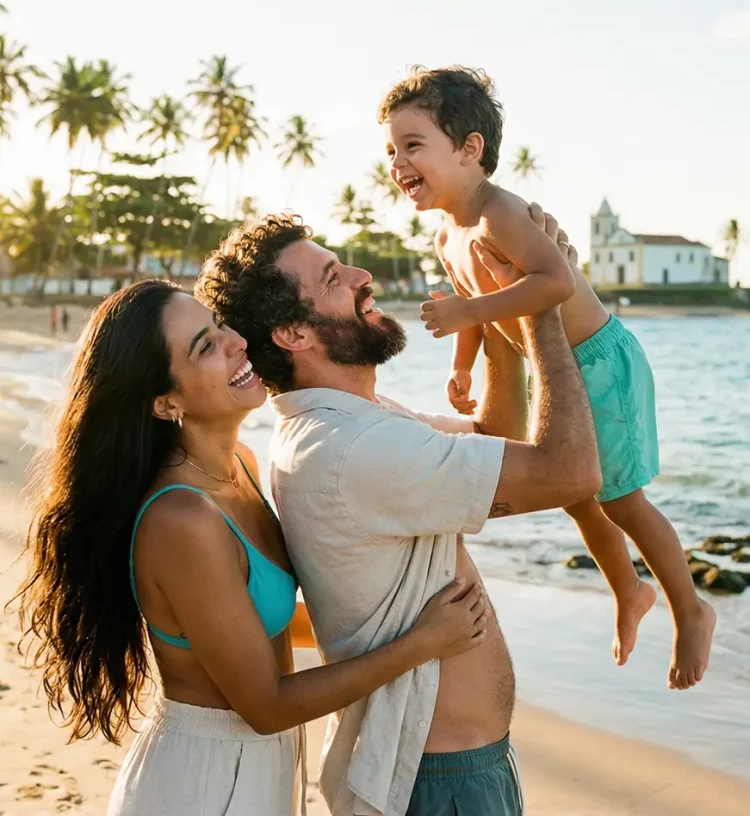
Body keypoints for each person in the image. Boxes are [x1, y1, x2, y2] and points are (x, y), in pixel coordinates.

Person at [15, 279, 492, 816]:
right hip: (206, 779)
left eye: (219, 326)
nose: (235, 341)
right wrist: (420, 643)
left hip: (257, 767)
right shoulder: (183, 520)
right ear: (165, 400)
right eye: (205, 346)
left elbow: (257, 619)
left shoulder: (239, 463)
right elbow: (266, 705)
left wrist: (400, 614)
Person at [196, 212, 601, 816]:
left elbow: (497, 437)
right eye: (334, 278)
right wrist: (543, 300)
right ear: (292, 334)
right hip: (437, 779)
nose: (363, 276)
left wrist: (495, 313)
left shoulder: (353, 422)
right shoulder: (350, 448)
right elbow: (569, 472)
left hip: (455, 768)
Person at [377, 65, 716, 690]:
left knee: (621, 498)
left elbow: (554, 280)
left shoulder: (501, 212)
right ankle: (627, 589)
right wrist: (461, 362)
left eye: (413, 145)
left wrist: (470, 312)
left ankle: (691, 608)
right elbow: (476, 299)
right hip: (553, 368)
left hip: (598, 361)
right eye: (392, 149)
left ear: (470, 149)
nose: (398, 162)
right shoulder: (450, 232)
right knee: (574, 490)